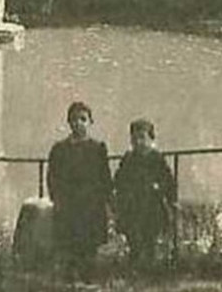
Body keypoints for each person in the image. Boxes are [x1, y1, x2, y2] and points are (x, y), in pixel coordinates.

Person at [46, 101, 112, 280]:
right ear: (69, 122)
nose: (78, 123)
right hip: (69, 202)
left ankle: (88, 276)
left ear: (90, 122)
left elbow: (105, 177)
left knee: (89, 243)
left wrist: (106, 201)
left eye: (83, 119)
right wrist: (57, 198)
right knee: (69, 241)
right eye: (74, 119)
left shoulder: (97, 148)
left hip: (91, 204)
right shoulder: (60, 149)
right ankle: (69, 276)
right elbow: (52, 176)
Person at [113, 118, 177, 274]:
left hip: (151, 205)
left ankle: (150, 269)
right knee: (133, 237)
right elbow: (118, 180)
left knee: (150, 237)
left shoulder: (156, 158)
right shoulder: (128, 159)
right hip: (132, 206)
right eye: (135, 139)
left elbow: (168, 181)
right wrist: (120, 197)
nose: (139, 142)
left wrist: (165, 193)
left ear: (151, 139)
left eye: (143, 138)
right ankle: (134, 265)